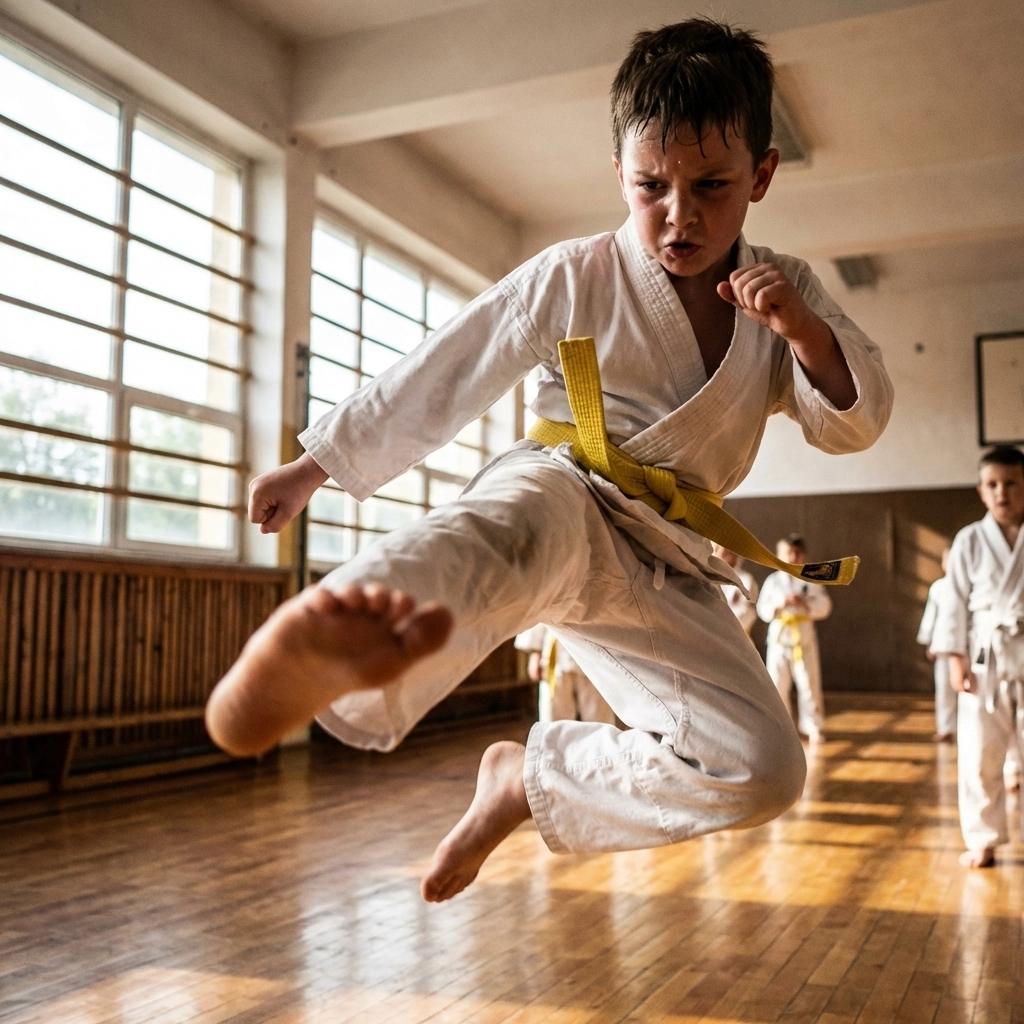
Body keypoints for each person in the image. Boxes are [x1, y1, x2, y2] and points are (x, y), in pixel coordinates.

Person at [204, 18, 893, 904]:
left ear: (762, 173)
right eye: (652, 186)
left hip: (665, 556)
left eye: (712, 186)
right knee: (494, 537)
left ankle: (524, 782)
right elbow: (451, 364)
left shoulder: (785, 292)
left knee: (763, 767)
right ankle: (336, 633)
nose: (679, 214)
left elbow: (853, 420)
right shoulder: (573, 274)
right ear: (618, 174)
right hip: (565, 488)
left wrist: (802, 330)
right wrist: (317, 463)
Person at [931, 446, 1024, 868]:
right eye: (993, 485)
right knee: (979, 753)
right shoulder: (969, 539)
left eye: (1011, 483)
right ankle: (983, 838)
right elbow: (953, 604)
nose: (1002, 492)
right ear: (981, 491)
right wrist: (955, 658)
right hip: (985, 658)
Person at [757, 536, 832, 743]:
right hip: (780, 639)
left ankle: (813, 726)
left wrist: (805, 605)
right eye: (787, 553)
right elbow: (762, 609)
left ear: (804, 555)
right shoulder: (773, 581)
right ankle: (782, 728)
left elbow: (825, 606)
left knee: (809, 684)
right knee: (777, 684)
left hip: (804, 638)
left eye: (797, 553)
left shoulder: (812, 579)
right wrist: (780, 604)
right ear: (779, 556)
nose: (792, 557)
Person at [515, 625, 616, 725]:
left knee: (599, 715)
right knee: (554, 714)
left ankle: (601, 741)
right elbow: (539, 611)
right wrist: (535, 652)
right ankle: (554, 740)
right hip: (557, 653)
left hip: (594, 651)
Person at [918, 548, 956, 742]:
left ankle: (965, 728)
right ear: (942, 563)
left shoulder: (970, 585)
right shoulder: (938, 588)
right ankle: (945, 727)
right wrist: (929, 642)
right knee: (944, 688)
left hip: (968, 645)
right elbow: (930, 617)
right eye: (946, 559)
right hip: (942, 644)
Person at [713, 543, 759, 637]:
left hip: (737, 632)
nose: (729, 553)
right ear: (716, 549)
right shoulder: (706, 576)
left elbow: (750, 611)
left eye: (732, 550)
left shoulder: (746, 580)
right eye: (725, 549)